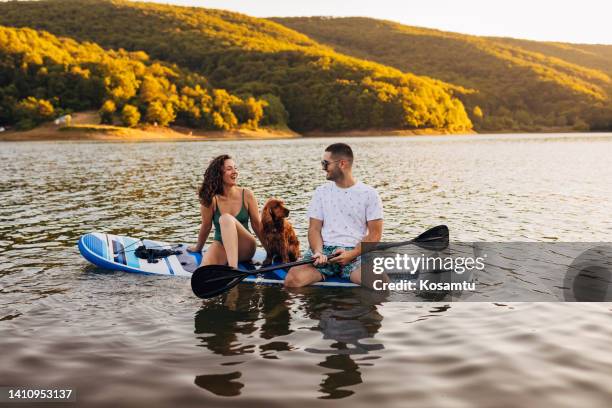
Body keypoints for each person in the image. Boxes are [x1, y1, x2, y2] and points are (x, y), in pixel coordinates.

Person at [284, 143, 383, 287]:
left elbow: (375, 234)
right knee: (292, 280)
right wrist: (318, 252)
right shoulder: (321, 192)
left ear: (342, 164)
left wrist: (352, 254)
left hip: (356, 253)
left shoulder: (370, 194)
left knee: (379, 283)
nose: (323, 168)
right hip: (324, 253)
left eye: (325, 163)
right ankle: (319, 296)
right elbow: (314, 229)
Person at [188, 155, 263, 268]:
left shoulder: (247, 194)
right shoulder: (210, 199)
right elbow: (206, 226)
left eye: (235, 168)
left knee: (226, 218)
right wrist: (198, 248)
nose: (235, 172)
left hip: (245, 247)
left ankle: (233, 268)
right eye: (229, 169)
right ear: (219, 174)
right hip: (221, 246)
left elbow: (257, 226)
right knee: (204, 268)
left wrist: (270, 253)